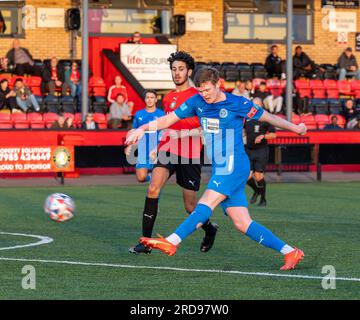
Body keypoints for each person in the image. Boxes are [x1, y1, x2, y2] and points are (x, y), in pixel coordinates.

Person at [126, 66, 307, 271]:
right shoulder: (197, 101)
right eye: (201, 91)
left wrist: (296, 128)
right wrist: (141, 129)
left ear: (218, 84)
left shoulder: (236, 102)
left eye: (208, 90)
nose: (205, 95)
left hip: (233, 165)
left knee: (205, 203)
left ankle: (172, 241)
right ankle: (290, 252)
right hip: (220, 167)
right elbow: (169, 119)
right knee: (242, 223)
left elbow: (267, 117)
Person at [128, 51, 218, 255]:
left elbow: (206, 127)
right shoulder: (168, 98)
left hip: (190, 152)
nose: (177, 73)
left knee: (190, 206)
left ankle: (209, 228)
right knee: (153, 188)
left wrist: (185, 134)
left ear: (189, 71)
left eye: (181, 69)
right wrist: (156, 147)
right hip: (168, 150)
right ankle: (146, 242)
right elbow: (168, 125)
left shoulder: (198, 97)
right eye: (174, 69)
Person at [125, 90, 165, 183]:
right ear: (145, 100)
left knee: (157, 183)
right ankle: (150, 178)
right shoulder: (139, 114)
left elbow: (165, 132)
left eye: (152, 97)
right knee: (141, 177)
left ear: (155, 100)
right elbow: (134, 132)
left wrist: (159, 148)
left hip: (157, 150)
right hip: (143, 150)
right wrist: (130, 145)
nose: (149, 100)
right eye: (147, 97)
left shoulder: (161, 114)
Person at [244, 98, 277, 207]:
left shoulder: (265, 118)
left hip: (261, 150)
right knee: (246, 176)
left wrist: (263, 136)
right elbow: (243, 130)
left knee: (258, 176)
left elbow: (274, 134)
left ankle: (263, 199)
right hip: (248, 150)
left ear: (262, 105)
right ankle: (257, 191)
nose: (256, 107)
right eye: (254, 105)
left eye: (258, 105)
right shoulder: (247, 117)